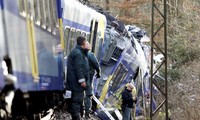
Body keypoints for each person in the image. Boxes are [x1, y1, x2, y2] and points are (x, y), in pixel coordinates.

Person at [67, 36, 90, 120]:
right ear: (83, 44)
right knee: (76, 103)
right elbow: (78, 68)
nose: (88, 44)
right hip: (76, 85)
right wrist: (82, 81)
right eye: (87, 42)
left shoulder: (80, 53)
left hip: (75, 84)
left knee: (76, 104)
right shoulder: (78, 54)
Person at [84, 42, 101, 118]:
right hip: (88, 78)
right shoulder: (90, 55)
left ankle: (79, 112)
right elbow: (96, 65)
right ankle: (86, 113)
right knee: (88, 95)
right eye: (88, 45)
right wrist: (98, 73)